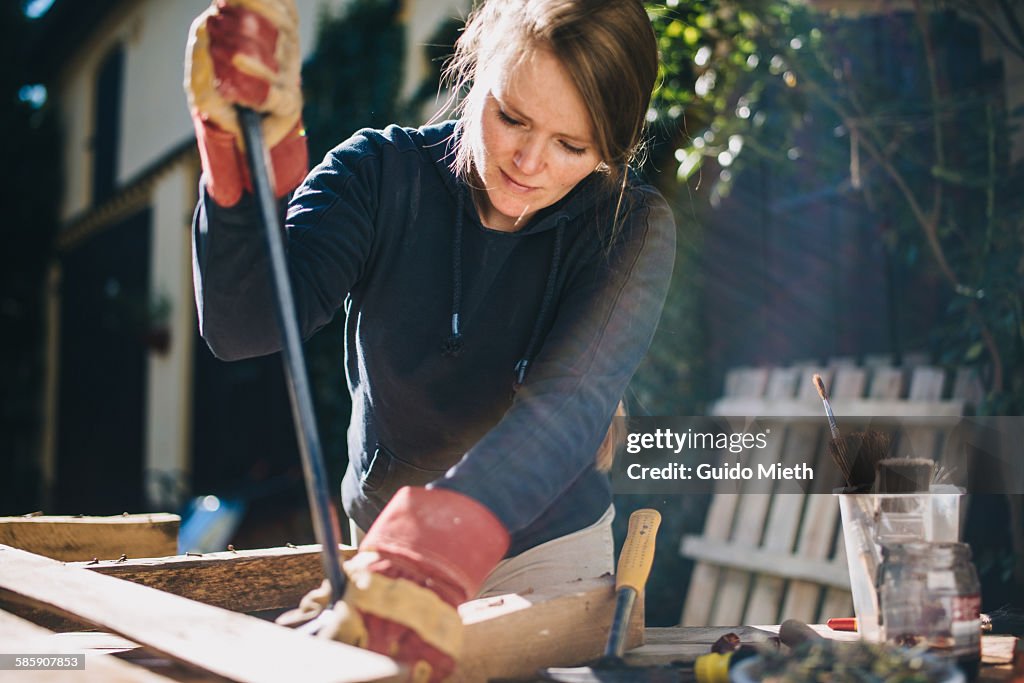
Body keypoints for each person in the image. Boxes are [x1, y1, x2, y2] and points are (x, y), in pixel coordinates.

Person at [184, 0, 674, 679]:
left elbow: (567, 407)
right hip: (385, 549)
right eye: (512, 117)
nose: (530, 163)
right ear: (475, 67)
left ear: (611, 150)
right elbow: (245, 325)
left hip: (546, 557)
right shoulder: (378, 174)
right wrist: (236, 161)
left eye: (572, 146)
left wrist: (434, 541)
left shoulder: (630, 226)